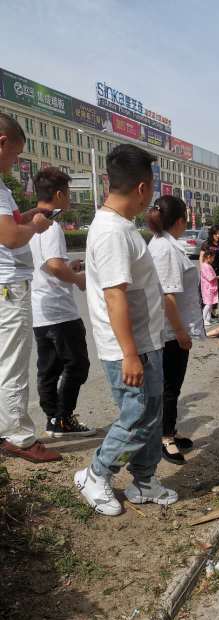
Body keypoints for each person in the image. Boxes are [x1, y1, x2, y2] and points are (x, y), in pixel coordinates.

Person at [75, 144, 178, 516]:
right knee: (135, 418)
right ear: (141, 188)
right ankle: (95, 474)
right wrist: (131, 354)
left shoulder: (121, 227)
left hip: (144, 344)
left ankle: (144, 480)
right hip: (127, 349)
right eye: (151, 189)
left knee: (150, 416)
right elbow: (115, 298)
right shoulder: (112, 233)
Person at [0, 112, 61, 463]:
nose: (15, 162)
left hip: (7, 283)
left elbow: (8, 226)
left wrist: (26, 217)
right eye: (15, 155)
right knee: (13, 362)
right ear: (2, 142)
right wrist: (35, 227)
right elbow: (9, 237)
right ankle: (20, 438)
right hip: (8, 285)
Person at [30, 167, 94, 438]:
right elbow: (54, 266)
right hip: (60, 312)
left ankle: (52, 419)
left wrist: (69, 265)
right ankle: (63, 419)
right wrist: (78, 278)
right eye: (68, 194)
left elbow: (45, 264)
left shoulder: (29, 223)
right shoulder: (52, 225)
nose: (69, 199)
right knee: (77, 365)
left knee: (48, 368)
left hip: (39, 311)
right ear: (58, 194)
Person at [147, 195, 205, 465]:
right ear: (180, 220)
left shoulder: (163, 243)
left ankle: (168, 429)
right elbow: (167, 297)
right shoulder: (166, 250)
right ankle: (165, 437)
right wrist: (181, 333)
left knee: (170, 386)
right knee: (170, 387)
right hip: (169, 332)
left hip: (168, 329)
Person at [199, 224, 219, 316]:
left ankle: (212, 312)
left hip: (216, 271)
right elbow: (201, 258)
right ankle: (203, 312)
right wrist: (203, 271)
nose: (218, 236)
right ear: (212, 234)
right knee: (205, 291)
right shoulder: (206, 244)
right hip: (207, 272)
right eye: (216, 234)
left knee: (215, 291)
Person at [200, 249, 219, 327]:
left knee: (211, 303)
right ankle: (203, 319)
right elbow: (210, 277)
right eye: (213, 258)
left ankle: (208, 318)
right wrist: (218, 277)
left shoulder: (207, 265)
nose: (213, 259)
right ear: (208, 257)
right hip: (208, 288)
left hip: (210, 288)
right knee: (208, 304)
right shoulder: (205, 266)